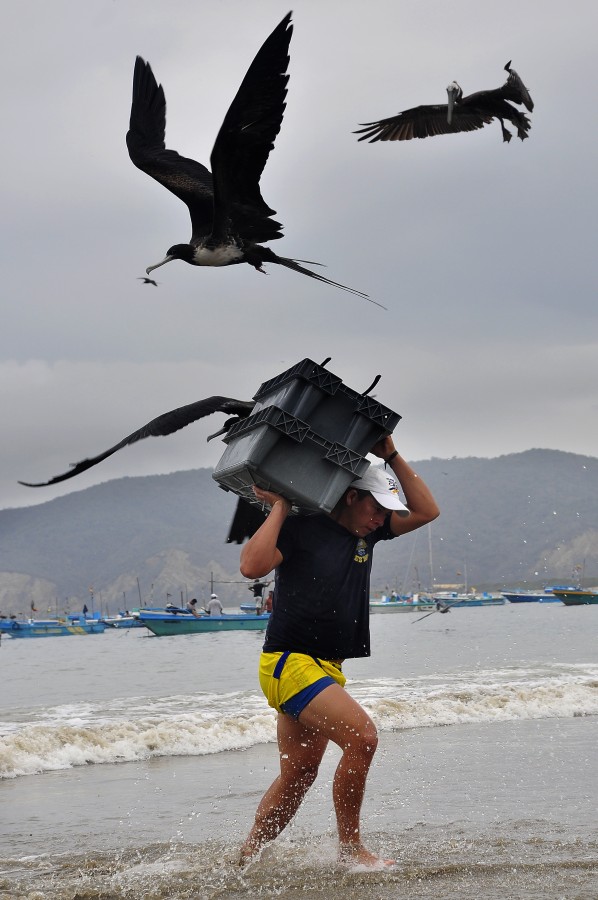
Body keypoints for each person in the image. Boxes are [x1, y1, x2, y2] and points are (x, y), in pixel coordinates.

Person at [238, 435, 439, 867]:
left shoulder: (368, 534)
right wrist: (279, 507)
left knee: (298, 776)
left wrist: (391, 455)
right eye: (376, 507)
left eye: (386, 511)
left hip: (324, 668)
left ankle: (246, 858)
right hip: (289, 663)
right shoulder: (302, 528)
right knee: (363, 738)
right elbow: (251, 567)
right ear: (351, 496)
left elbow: (426, 511)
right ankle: (352, 849)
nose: (382, 517)